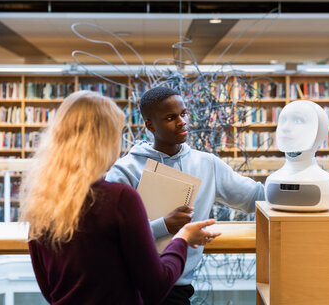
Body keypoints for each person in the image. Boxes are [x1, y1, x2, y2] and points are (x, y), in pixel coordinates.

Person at [20, 90, 221, 305]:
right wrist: (182, 239)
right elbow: (157, 286)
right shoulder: (119, 199)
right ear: (103, 142)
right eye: (117, 133)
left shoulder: (40, 203)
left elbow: (48, 289)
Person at [105, 86, 266, 305]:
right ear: (150, 125)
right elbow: (109, 236)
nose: (182, 122)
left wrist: (294, 184)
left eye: (184, 114)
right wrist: (164, 226)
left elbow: (255, 197)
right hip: (129, 287)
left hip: (176, 287)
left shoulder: (207, 164)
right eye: (171, 117)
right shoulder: (125, 170)